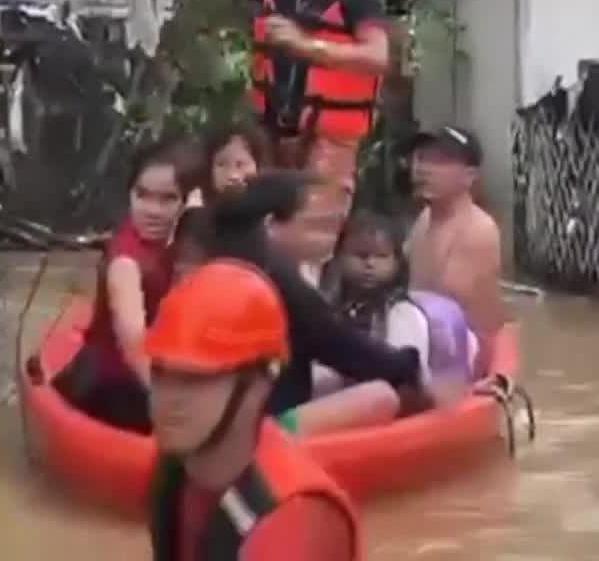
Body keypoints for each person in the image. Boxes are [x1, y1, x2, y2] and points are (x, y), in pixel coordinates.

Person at [153, 0, 390, 277]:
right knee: (249, 229)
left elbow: (376, 56)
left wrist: (304, 44)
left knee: (305, 244)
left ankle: (302, 320)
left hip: (327, 139)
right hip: (270, 131)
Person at [209, 171, 471, 436]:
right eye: (315, 226)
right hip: (260, 434)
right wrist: (416, 374)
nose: (331, 236)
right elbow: (346, 349)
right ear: (271, 226)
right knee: (379, 396)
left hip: (218, 420)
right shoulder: (280, 283)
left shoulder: (222, 262)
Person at [144, 260, 359, 561]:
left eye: (196, 379)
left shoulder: (293, 520)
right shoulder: (176, 464)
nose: (169, 397)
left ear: (261, 383)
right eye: (161, 372)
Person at [51, 138, 196, 433]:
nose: (152, 210)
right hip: (114, 384)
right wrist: (174, 404)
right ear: (129, 194)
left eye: (168, 199)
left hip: (158, 372)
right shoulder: (126, 261)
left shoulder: (190, 243)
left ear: (190, 200)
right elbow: (133, 343)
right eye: (142, 195)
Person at [319, 210, 478, 403]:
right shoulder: (328, 305)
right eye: (360, 255)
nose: (370, 264)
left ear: (397, 262)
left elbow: (406, 377)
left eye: (381, 256)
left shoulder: (402, 313)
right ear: (338, 258)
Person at [406, 126, 506, 379]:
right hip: (421, 345)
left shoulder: (478, 232)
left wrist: (479, 386)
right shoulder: (423, 219)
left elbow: (486, 325)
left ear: (469, 176)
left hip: (457, 363)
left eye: (440, 161)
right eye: (421, 158)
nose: (423, 168)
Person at [193, 121, 273, 206]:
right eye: (222, 164)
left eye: (240, 164)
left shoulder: (270, 209)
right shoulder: (198, 208)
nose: (232, 176)